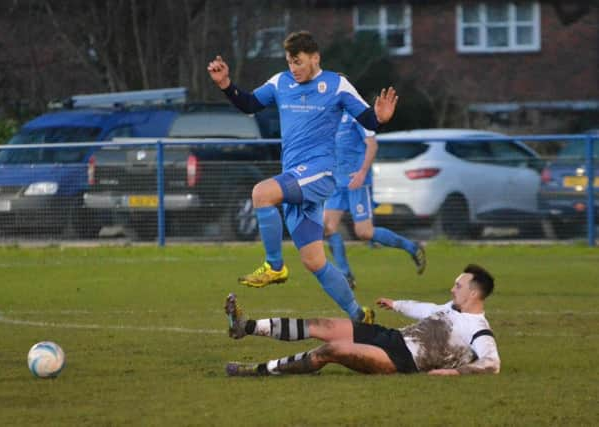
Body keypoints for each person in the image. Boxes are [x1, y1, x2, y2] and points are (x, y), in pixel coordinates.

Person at [208, 31, 398, 323]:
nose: (293, 68)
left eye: (297, 61)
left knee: (261, 193)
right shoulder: (280, 82)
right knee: (314, 262)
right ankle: (359, 315)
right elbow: (248, 104)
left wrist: (381, 119)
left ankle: (274, 266)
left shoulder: (337, 84)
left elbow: (368, 120)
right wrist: (225, 85)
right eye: (289, 62)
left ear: (315, 58)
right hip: (295, 177)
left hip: (320, 172)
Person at [224, 264, 500, 376]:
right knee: (322, 325)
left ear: (474, 292)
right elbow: (426, 309)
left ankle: (257, 370)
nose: (453, 289)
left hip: (401, 361)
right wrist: (397, 304)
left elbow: (492, 363)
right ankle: (244, 326)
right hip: (392, 337)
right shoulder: (452, 307)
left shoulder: (477, 329)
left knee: (331, 351)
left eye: (458, 286)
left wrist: (456, 372)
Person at [324, 111, 426, 289]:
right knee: (327, 228)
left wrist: (362, 172)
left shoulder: (357, 115)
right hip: (337, 182)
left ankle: (412, 247)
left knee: (364, 232)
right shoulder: (330, 116)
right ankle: (346, 275)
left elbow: (372, 145)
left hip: (357, 182)